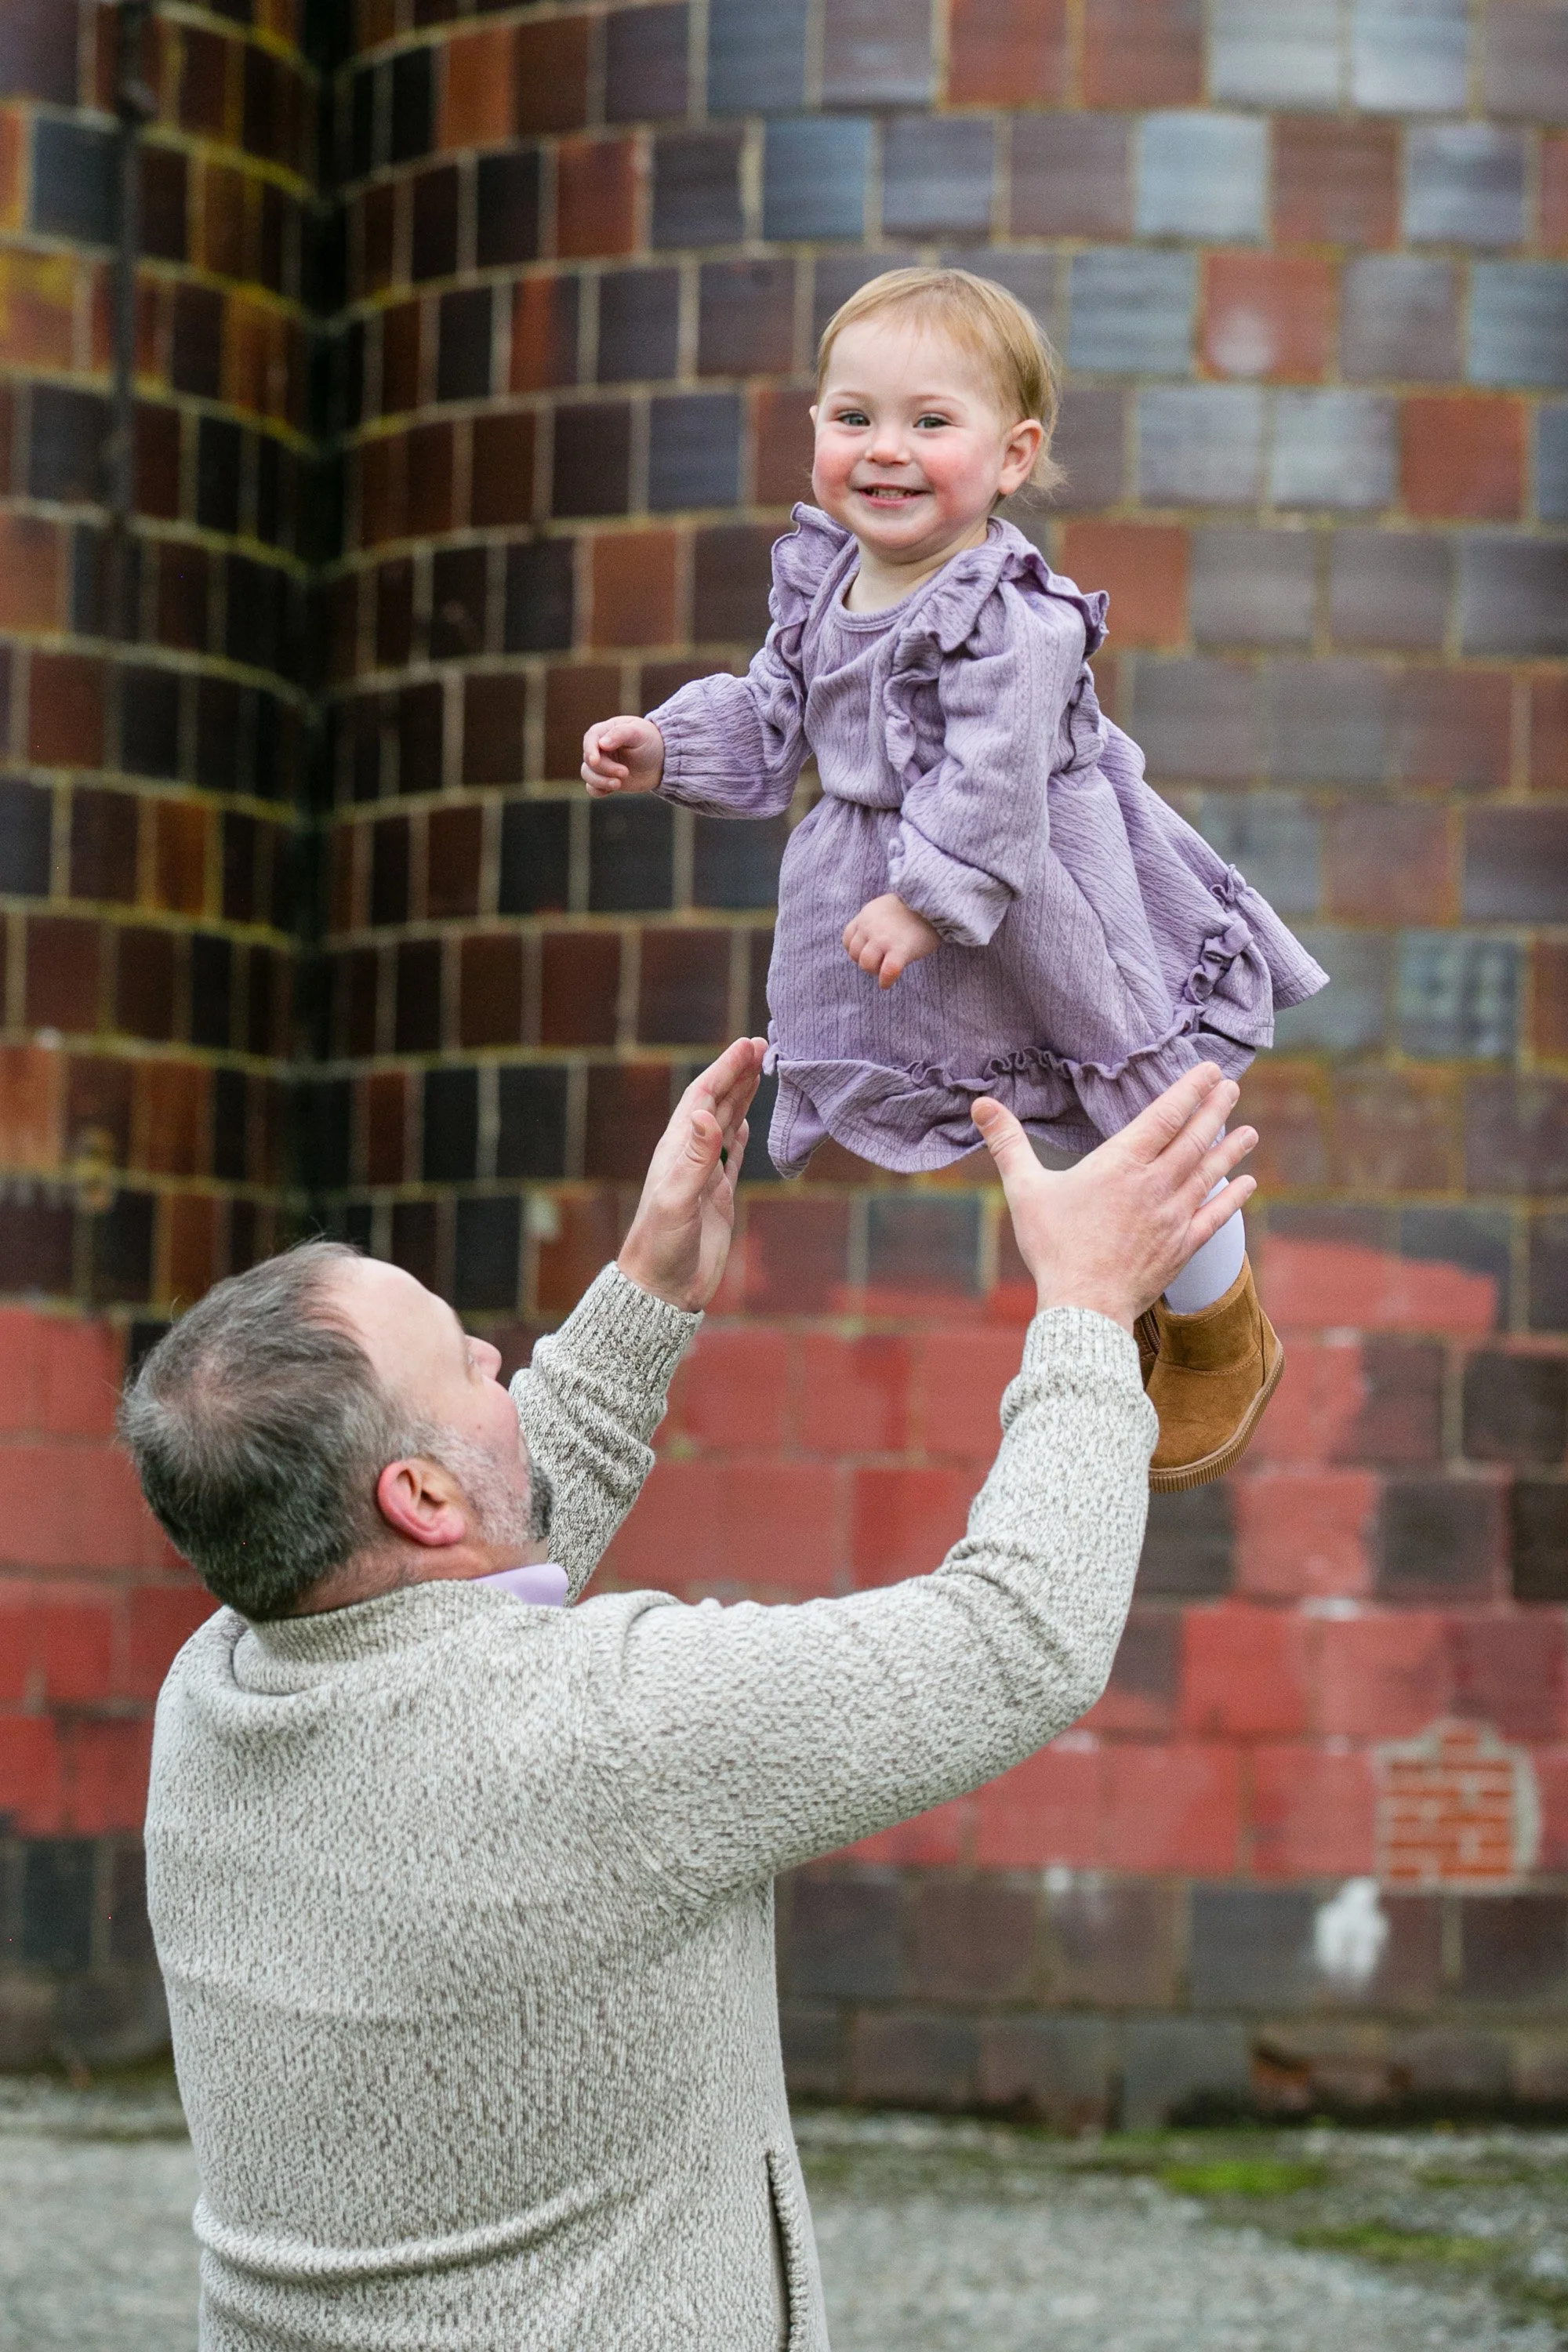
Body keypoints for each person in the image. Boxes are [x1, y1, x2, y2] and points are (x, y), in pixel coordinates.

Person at [122, 1038, 1254, 2352]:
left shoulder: (211, 1698)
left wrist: (649, 1287)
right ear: (417, 1498)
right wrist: (1089, 1310)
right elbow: (1019, 1637)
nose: (500, 1357)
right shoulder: (609, 1733)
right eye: (465, 1358)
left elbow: (460, 1580)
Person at [581, 267, 1327, 1490]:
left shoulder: (1007, 611)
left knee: (1134, 1085)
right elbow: (777, 712)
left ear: (1013, 453)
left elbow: (995, 772)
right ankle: (1137, 1295)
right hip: (912, 895)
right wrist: (667, 745)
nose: (885, 450)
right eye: (853, 416)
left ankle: (1219, 1326)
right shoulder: (824, 581)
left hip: (1033, 886)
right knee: (1040, 1116)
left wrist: (928, 896)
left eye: (931, 422)